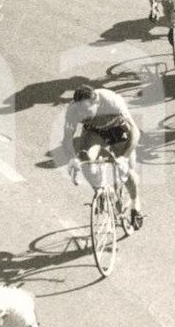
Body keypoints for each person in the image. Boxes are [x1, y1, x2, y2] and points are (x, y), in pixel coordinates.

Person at [61, 85, 143, 228]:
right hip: (94, 132)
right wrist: (72, 159)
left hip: (118, 130)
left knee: (127, 172)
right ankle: (101, 191)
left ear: (97, 102)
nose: (82, 114)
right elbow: (67, 138)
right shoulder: (72, 111)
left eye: (87, 110)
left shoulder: (112, 102)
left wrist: (124, 157)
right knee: (85, 161)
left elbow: (135, 131)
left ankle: (136, 204)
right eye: (80, 110)